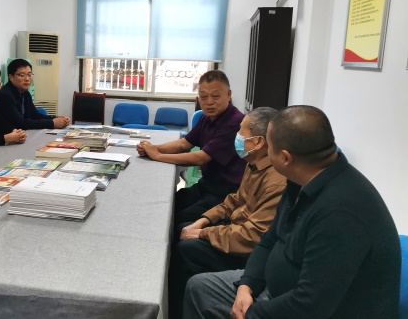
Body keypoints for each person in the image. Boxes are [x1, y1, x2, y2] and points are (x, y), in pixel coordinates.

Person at [183, 106, 400, 319]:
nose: (266, 154)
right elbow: (270, 239)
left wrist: (252, 313)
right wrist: (246, 284)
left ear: (285, 158)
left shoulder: (341, 212)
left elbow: (311, 305)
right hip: (277, 289)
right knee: (199, 288)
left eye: (269, 148)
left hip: (314, 308)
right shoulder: (303, 178)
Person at [168, 107, 286, 319]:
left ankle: (177, 311)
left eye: (241, 131)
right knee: (183, 228)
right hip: (236, 230)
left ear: (259, 142)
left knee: (186, 249)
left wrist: (204, 233)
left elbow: (252, 237)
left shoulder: (276, 181)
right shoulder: (254, 162)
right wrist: (203, 221)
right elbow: (234, 200)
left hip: (249, 251)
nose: (237, 136)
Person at [137, 70, 246, 227]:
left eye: (215, 96)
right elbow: (184, 143)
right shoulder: (206, 118)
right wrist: (153, 148)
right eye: (204, 97)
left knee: (176, 220)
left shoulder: (234, 122)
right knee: (163, 206)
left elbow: (201, 157)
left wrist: (158, 156)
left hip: (225, 194)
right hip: (205, 185)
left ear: (228, 95)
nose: (209, 102)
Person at [0, 59, 70, 130]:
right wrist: (52, 123)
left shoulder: (25, 93)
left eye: (29, 75)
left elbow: (35, 115)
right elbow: (20, 124)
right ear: (11, 77)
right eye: (22, 75)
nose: (27, 79)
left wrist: (57, 119)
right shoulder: (5, 95)